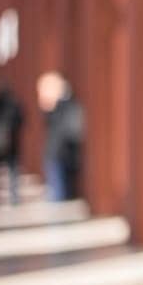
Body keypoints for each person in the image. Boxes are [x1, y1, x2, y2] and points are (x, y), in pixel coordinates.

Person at [37, 71, 83, 202]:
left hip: (59, 151)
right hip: (60, 151)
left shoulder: (63, 106)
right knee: (60, 188)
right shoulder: (69, 104)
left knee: (59, 190)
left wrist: (49, 104)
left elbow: (60, 127)